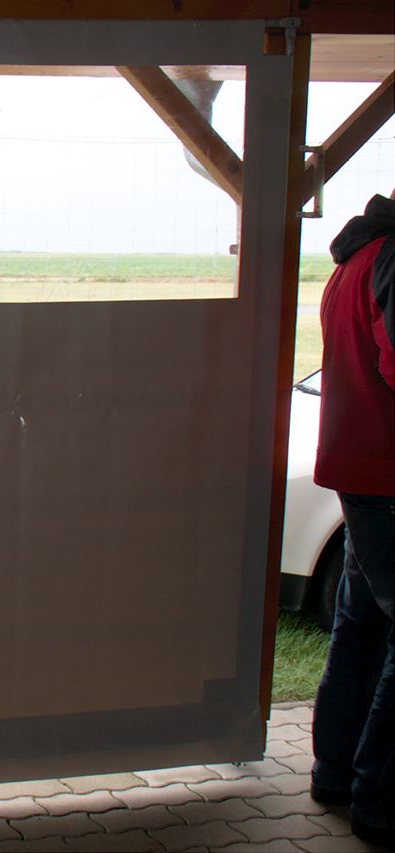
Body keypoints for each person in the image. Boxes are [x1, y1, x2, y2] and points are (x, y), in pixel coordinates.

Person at [310, 191, 394, 849]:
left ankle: (335, 774)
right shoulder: (392, 258)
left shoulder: (355, 257)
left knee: (359, 629)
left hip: (360, 472)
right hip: (387, 477)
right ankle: (381, 800)